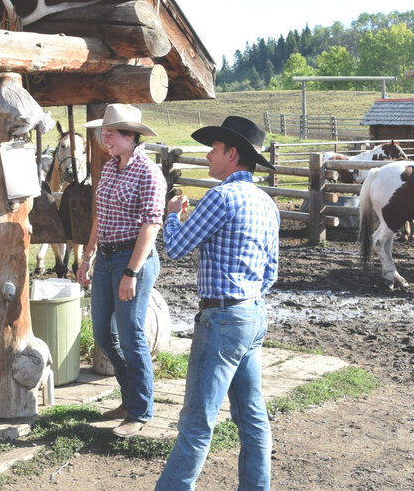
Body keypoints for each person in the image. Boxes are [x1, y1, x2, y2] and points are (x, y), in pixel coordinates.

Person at [155, 116, 280, 491]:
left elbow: (176, 248)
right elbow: (271, 271)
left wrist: (172, 217)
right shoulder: (266, 203)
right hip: (253, 313)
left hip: (222, 316)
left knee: (196, 422)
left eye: (215, 148)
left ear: (233, 154)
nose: (208, 155)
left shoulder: (221, 196)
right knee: (252, 417)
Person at [76, 103, 165, 439]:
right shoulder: (111, 168)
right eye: (104, 131)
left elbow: (150, 226)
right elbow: (101, 216)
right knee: (102, 333)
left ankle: (140, 410)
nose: (104, 137)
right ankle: (130, 400)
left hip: (132, 259)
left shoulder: (148, 173)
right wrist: (87, 257)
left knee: (131, 334)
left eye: (111, 132)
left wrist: (131, 271)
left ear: (131, 135)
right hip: (107, 258)